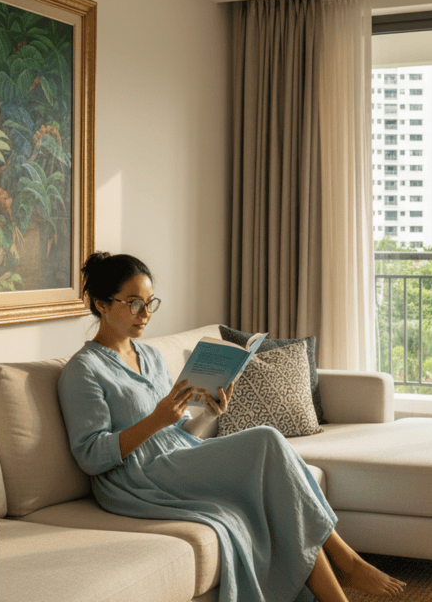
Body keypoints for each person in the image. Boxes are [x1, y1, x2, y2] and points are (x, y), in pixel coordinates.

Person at [57, 252, 406, 602]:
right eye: (134, 304)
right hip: (137, 478)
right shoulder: (83, 370)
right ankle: (348, 561)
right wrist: (157, 420)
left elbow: (178, 432)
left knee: (272, 492)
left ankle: (341, 589)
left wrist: (210, 413)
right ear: (102, 305)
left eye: (150, 304)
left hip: (177, 458)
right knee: (266, 440)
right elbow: (90, 456)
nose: (145, 315)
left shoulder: (148, 355)